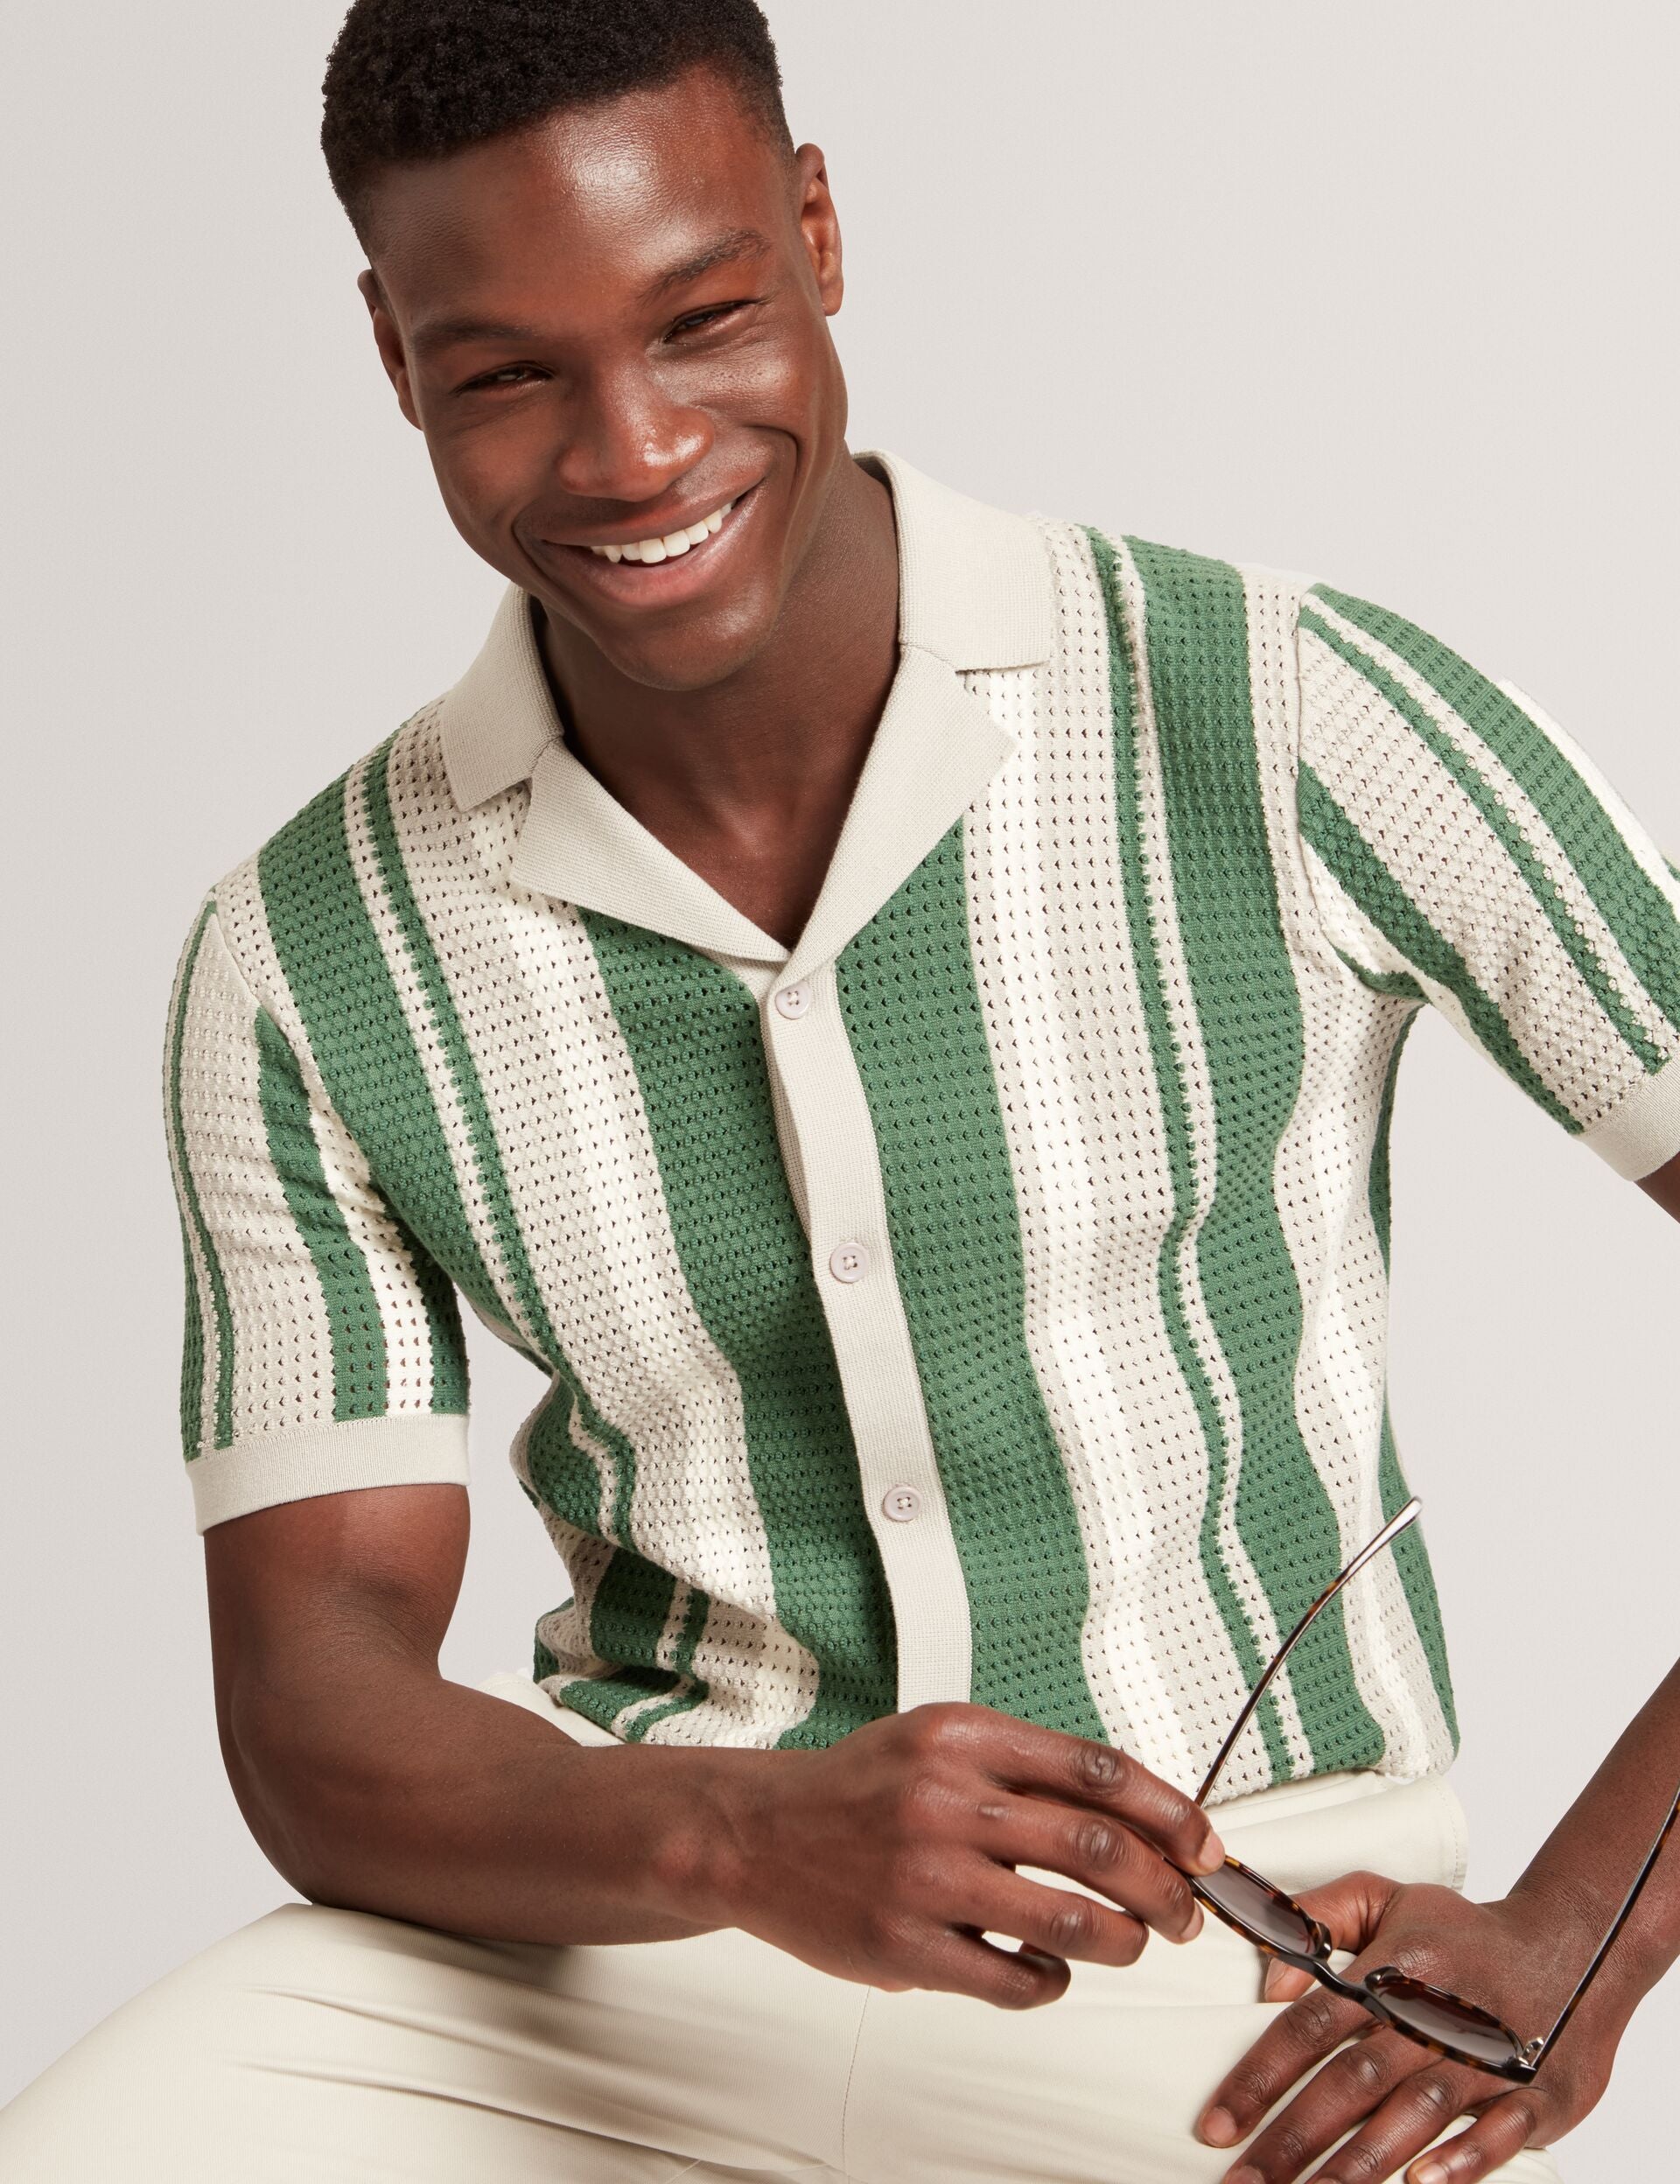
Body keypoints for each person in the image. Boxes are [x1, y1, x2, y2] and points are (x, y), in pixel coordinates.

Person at [4, 3, 1676, 2179]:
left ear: (816, 231)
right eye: (506, 372)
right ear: (395, 357)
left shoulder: (1276, 711)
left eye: (701, 320)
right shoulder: (306, 952)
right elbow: (316, 1704)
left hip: (1226, 1958)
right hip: (603, 1959)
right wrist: (739, 1834)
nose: (630, 454)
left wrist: (1591, 1930)